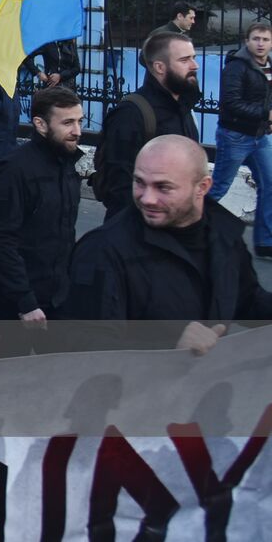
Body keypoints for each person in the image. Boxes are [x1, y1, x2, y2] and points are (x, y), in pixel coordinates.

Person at [62, 135, 272, 349]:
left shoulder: (223, 234)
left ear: (202, 187)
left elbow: (246, 298)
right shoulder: (102, 250)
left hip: (208, 380)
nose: (147, 199)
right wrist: (170, 348)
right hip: (143, 381)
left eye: (163, 187)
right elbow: (82, 344)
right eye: (139, 183)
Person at [0, 88, 84, 355]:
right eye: (67, 122)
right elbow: (0, 241)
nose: (77, 131)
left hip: (58, 298)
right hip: (15, 302)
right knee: (9, 381)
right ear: (40, 124)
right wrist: (24, 301)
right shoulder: (13, 171)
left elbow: (64, 234)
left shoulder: (67, 166)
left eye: (79, 121)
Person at [91, 30, 200, 218]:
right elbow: (119, 184)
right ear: (160, 67)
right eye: (184, 60)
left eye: (193, 58)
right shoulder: (131, 113)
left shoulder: (184, 107)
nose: (194, 65)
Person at [210, 23, 272, 260]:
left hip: (260, 135)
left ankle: (266, 242)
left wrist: (268, 120)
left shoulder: (268, 65)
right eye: (256, 38)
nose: (260, 43)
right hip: (235, 136)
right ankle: (189, 229)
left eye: (265, 39)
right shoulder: (237, 66)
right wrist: (265, 114)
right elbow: (231, 104)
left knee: (270, 184)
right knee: (218, 187)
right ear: (247, 41)